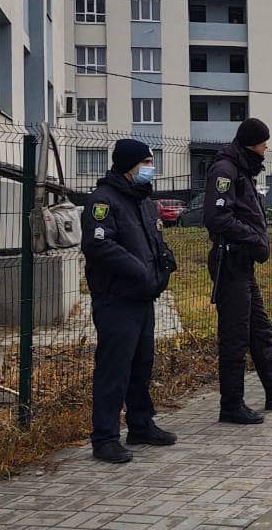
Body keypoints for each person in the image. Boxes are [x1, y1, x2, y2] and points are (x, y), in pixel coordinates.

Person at [204, 119, 272, 425]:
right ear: (252, 144)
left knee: (260, 331)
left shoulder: (242, 170)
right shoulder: (225, 170)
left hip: (242, 264)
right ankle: (231, 405)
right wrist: (254, 239)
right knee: (235, 336)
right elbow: (217, 217)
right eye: (264, 144)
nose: (266, 149)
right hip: (230, 262)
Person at [82, 139, 178, 464]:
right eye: (146, 162)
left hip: (142, 297)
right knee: (115, 368)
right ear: (128, 166)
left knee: (141, 363)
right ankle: (105, 437)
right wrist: (139, 271)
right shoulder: (103, 201)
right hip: (116, 298)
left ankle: (140, 423)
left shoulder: (144, 202)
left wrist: (164, 264)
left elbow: (154, 241)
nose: (151, 168)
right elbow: (99, 245)